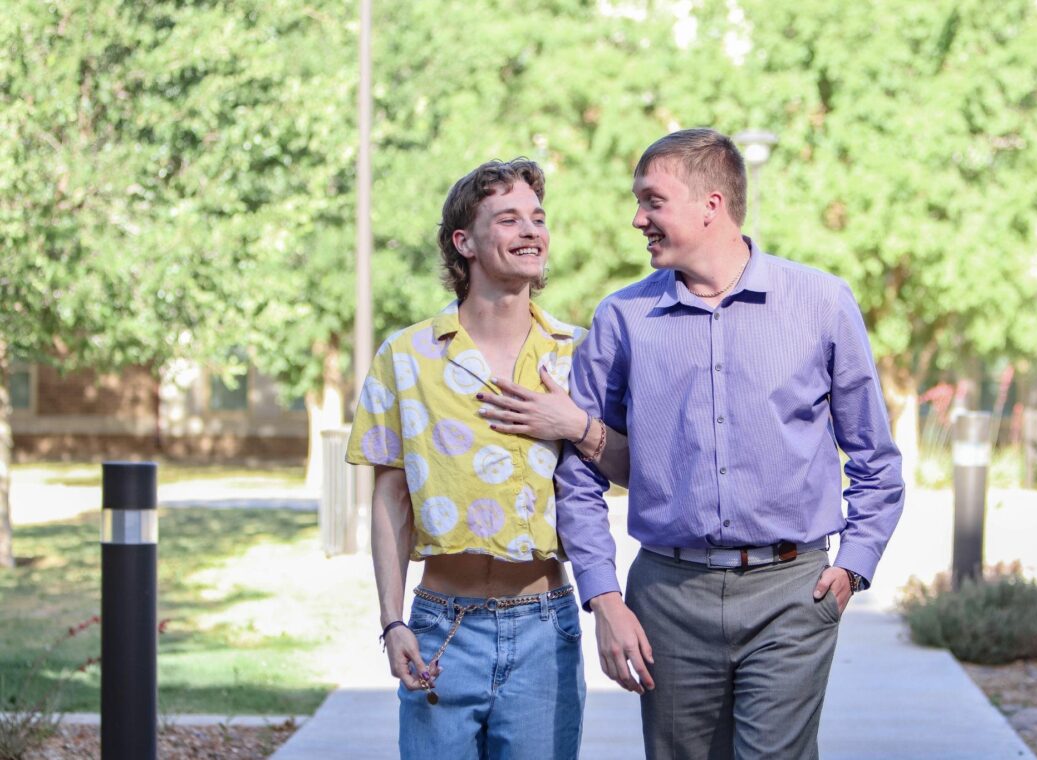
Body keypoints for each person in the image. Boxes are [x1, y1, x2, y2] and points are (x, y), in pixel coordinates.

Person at [554, 128, 906, 759]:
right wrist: (603, 598)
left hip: (791, 595)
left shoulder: (822, 303)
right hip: (666, 597)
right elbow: (577, 474)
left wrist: (854, 564)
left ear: (710, 205)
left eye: (652, 201)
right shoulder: (622, 319)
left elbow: (874, 458)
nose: (638, 219)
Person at [344, 158, 625, 759]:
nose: (532, 231)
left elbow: (635, 470)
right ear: (463, 242)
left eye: (538, 218)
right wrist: (393, 621)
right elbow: (391, 499)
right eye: (509, 219)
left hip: (544, 628)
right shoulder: (407, 356)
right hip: (440, 627)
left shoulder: (580, 354)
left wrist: (574, 424)